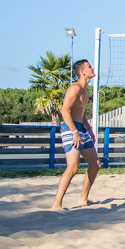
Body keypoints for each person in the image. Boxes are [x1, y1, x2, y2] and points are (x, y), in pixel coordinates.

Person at [50, 60, 101, 210]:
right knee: (73, 167)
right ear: (82, 72)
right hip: (70, 128)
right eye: (89, 66)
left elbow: (81, 114)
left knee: (95, 165)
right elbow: (64, 110)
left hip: (81, 129)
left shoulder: (85, 90)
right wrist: (74, 132)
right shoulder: (75, 88)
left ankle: (83, 199)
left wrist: (89, 130)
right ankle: (56, 204)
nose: (92, 68)